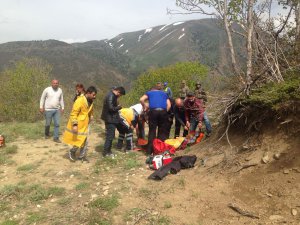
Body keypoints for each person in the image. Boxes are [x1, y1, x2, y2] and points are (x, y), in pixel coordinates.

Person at [63, 86, 97, 162]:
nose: (94, 97)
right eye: (93, 95)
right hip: (79, 124)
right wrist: (74, 125)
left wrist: (91, 115)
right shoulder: (80, 100)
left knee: (85, 140)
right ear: (88, 93)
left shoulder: (90, 100)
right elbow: (73, 113)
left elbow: (90, 110)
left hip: (86, 124)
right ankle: (73, 151)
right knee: (80, 140)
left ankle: (81, 156)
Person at [140, 85, 171, 155]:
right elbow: (169, 105)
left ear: (152, 90)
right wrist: (165, 112)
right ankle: (159, 151)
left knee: (152, 131)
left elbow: (141, 99)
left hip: (153, 112)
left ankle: (149, 151)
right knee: (162, 132)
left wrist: (145, 106)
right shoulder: (164, 94)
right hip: (163, 112)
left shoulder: (149, 93)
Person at [101, 86, 126, 158]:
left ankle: (109, 151)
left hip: (111, 119)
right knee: (110, 136)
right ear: (118, 92)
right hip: (110, 119)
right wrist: (119, 107)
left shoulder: (112, 96)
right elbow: (111, 108)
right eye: (120, 94)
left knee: (111, 136)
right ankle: (106, 152)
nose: (120, 96)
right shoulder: (111, 96)